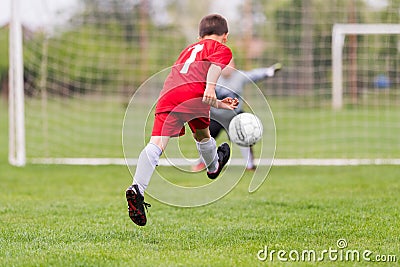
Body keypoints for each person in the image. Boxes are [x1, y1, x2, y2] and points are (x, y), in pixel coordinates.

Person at [126, 14, 239, 226]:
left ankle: (137, 189)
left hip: (169, 94)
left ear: (199, 36)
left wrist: (221, 103)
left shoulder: (188, 50)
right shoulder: (220, 48)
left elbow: (187, 82)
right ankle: (213, 167)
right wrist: (211, 87)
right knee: (203, 136)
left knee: (157, 143)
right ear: (225, 36)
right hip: (195, 96)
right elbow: (214, 69)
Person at [192, 60, 281, 171]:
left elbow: (254, 75)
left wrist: (268, 71)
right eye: (224, 64)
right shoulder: (211, 78)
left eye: (230, 64)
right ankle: (203, 162)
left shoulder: (239, 76)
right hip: (215, 116)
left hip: (234, 116)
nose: (227, 67)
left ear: (234, 65)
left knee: (245, 134)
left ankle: (250, 165)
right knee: (204, 137)